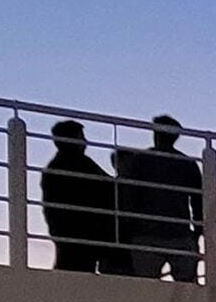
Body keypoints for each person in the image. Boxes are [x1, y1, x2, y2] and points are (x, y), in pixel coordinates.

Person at [114, 114, 207, 282]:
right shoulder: (187, 164)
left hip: (147, 235)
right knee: (187, 288)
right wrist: (198, 231)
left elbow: (128, 197)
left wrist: (128, 229)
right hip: (178, 234)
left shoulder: (138, 161)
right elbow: (198, 201)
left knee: (146, 288)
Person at [39, 119, 121, 273]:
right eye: (81, 137)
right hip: (84, 231)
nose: (85, 142)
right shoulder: (81, 164)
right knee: (79, 270)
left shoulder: (53, 168)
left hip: (66, 231)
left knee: (68, 269)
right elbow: (108, 186)